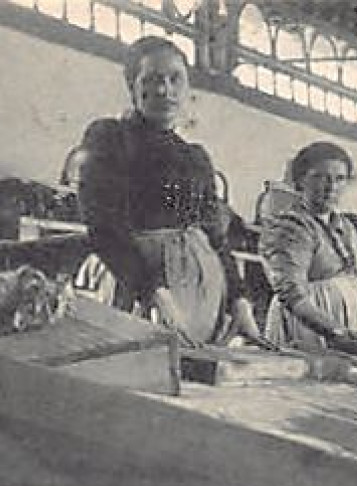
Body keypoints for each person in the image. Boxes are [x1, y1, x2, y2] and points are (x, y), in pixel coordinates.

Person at [77, 37, 260, 346]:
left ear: (188, 87)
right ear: (132, 87)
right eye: (152, 80)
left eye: (175, 79)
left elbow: (215, 239)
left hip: (197, 293)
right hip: (134, 281)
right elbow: (103, 228)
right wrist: (153, 291)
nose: (165, 90)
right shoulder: (109, 137)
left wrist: (239, 300)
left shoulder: (196, 157)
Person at [259, 141, 357, 355]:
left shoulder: (352, 226)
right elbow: (293, 296)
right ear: (300, 181)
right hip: (312, 327)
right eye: (320, 177)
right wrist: (336, 333)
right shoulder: (290, 228)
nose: (331, 187)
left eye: (339, 179)